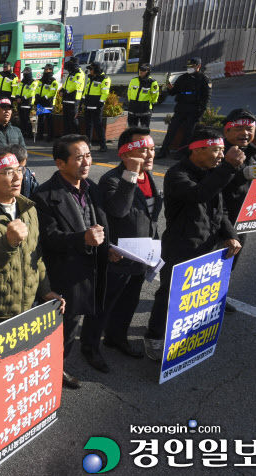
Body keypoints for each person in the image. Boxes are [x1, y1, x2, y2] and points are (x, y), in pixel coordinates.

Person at [0, 146, 65, 442]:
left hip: (25, 305)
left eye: (18, 170)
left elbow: (36, 256)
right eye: (6, 172)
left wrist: (45, 291)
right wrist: (7, 242)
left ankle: (8, 406)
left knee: (15, 363)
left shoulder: (28, 208)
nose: (15, 177)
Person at [145, 129, 243, 360]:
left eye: (222, 150)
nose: (221, 155)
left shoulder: (212, 172)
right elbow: (199, 194)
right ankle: (154, 336)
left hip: (206, 244)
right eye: (216, 150)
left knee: (197, 293)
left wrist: (230, 234)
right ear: (197, 150)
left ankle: (184, 332)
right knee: (169, 293)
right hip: (181, 245)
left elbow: (220, 208)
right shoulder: (177, 174)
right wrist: (229, 167)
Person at [31, 135, 110, 389]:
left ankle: (77, 355)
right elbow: (48, 238)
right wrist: (82, 238)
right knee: (62, 327)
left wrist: (110, 248)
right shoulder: (43, 195)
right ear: (60, 164)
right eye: (78, 157)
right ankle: (54, 371)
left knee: (86, 317)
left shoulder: (91, 188)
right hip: (65, 272)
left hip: (92, 268)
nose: (86, 162)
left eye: (88, 155)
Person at [85, 128, 161, 369]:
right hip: (118, 256)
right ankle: (90, 347)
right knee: (104, 305)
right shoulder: (113, 180)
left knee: (130, 301)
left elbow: (151, 216)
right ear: (125, 154)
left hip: (142, 254)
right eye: (142, 149)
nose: (149, 154)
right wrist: (130, 174)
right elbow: (119, 210)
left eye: (151, 148)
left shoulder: (148, 177)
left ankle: (117, 338)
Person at [219, 109, 256, 312]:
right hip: (219, 216)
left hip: (243, 216)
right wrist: (242, 175)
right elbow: (212, 185)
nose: (245, 133)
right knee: (210, 260)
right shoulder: (217, 151)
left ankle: (219, 297)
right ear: (226, 131)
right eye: (238, 128)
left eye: (250, 129)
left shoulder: (254, 153)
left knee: (231, 259)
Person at [158, 57, 212, 159]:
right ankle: (164, 151)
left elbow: (206, 97)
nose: (190, 68)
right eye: (188, 67)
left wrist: (201, 112)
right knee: (172, 130)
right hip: (181, 107)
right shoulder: (183, 77)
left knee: (188, 132)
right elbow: (174, 92)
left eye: (192, 66)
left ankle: (182, 152)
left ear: (199, 66)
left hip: (194, 109)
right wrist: (169, 87)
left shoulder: (204, 79)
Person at [82, 62, 112, 152]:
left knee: (98, 126)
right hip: (88, 105)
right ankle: (88, 143)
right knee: (88, 125)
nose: (89, 71)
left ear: (96, 70)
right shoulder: (91, 77)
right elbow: (86, 90)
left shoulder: (104, 79)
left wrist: (101, 103)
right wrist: (83, 100)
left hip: (96, 106)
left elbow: (105, 92)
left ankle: (103, 145)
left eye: (91, 69)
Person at [126, 64, 160, 128]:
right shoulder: (133, 80)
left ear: (148, 71)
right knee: (132, 129)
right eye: (140, 70)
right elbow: (129, 92)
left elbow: (155, 95)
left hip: (145, 108)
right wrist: (130, 101)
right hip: (133, 107)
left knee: (144, 130)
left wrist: (151, 103)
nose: (141, 71)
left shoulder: (152, 82)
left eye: (143, 70)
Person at [61, 57, 85, 135]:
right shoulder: (71, 73)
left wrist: (65, 92)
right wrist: (62, 90)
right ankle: (66, 136)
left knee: (73, 120)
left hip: (74, 99)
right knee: (66, 120)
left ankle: (77, 137)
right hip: (66, 100)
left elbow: (75, 86)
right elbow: (66, 84)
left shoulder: (79, 73)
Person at [35, 64, 59, 142]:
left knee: (49, 121)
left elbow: (52, 92)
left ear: (51, 70)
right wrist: (37, 96)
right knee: (41, 120)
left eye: (46, 69)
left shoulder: (53, 81)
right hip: (41, 102)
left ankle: (50, 136)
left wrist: (44, 97)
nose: (45, 71)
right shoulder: (41, 80)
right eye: (44, 69)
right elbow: (37, 89)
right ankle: (40, 135)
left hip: (48, 103)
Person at [15, 67, 38, 140]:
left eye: (26, 73)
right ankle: (23, 133)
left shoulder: (33, 82)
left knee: (27, 119)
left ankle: (29, 134)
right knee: (22, 119)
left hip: (27, 102)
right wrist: (17, 97)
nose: (24, 74)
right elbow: (18, 90)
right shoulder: (22, 82)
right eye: (24, 73)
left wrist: (22, 98)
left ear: (29, 72)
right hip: (20, 102)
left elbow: (31, 92)